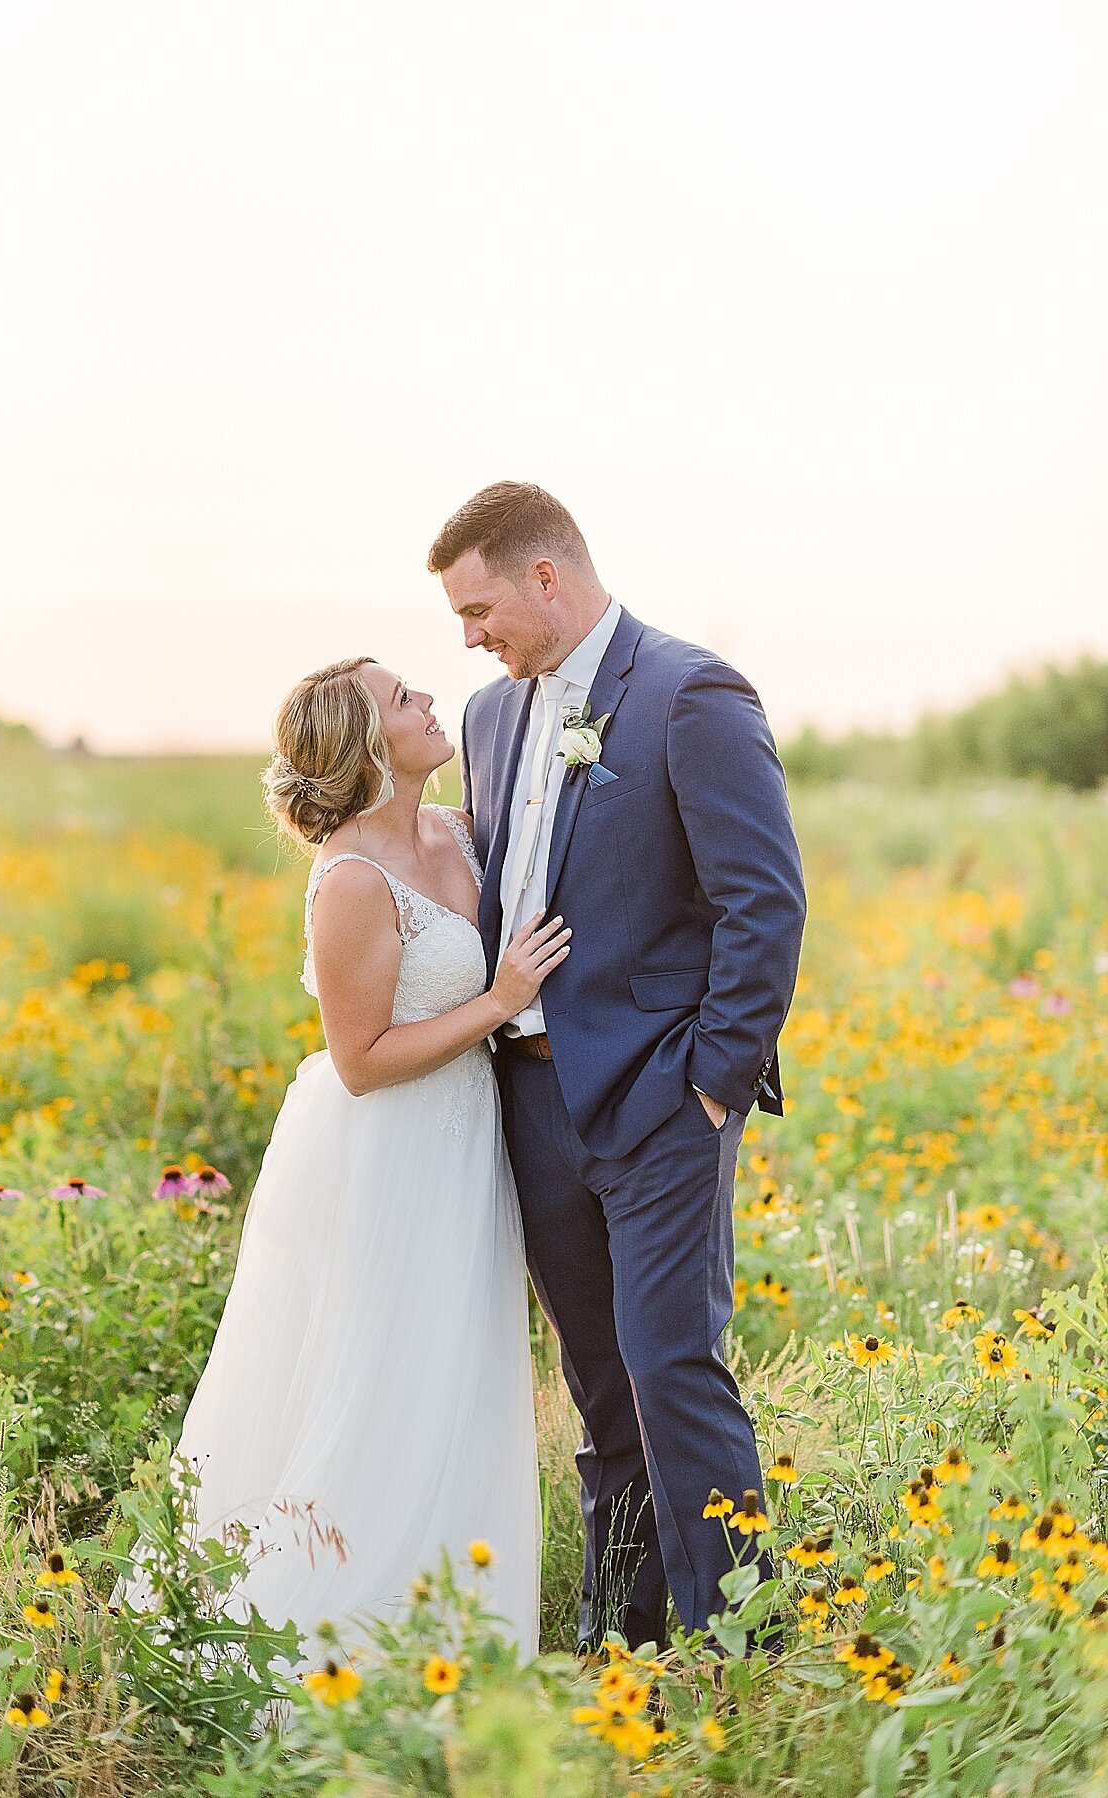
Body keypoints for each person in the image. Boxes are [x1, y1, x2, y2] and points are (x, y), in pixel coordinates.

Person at [117, 656, 563, 1663]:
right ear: (369, 746)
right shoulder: (352, 881)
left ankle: (451, 1624)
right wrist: (500, 1001)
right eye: (404, 699)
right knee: (382, 1372)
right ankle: (329, 1627)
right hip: (387, 1154)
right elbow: (360, 1061)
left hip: (466, 1142)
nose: (430, 700)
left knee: (456, 1372)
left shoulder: (456, 831)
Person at [431, 481, 806, 1650]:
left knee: (670, 1366)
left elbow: (764, 902)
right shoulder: (487, 719)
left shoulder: (690, 693)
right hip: (529, 1098)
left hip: (660, 1096)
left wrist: (713, 1083)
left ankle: (741, 1646)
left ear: (546, 576)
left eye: (480, 609)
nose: (471, 636)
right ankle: (625, 1641)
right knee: (599, 1382)